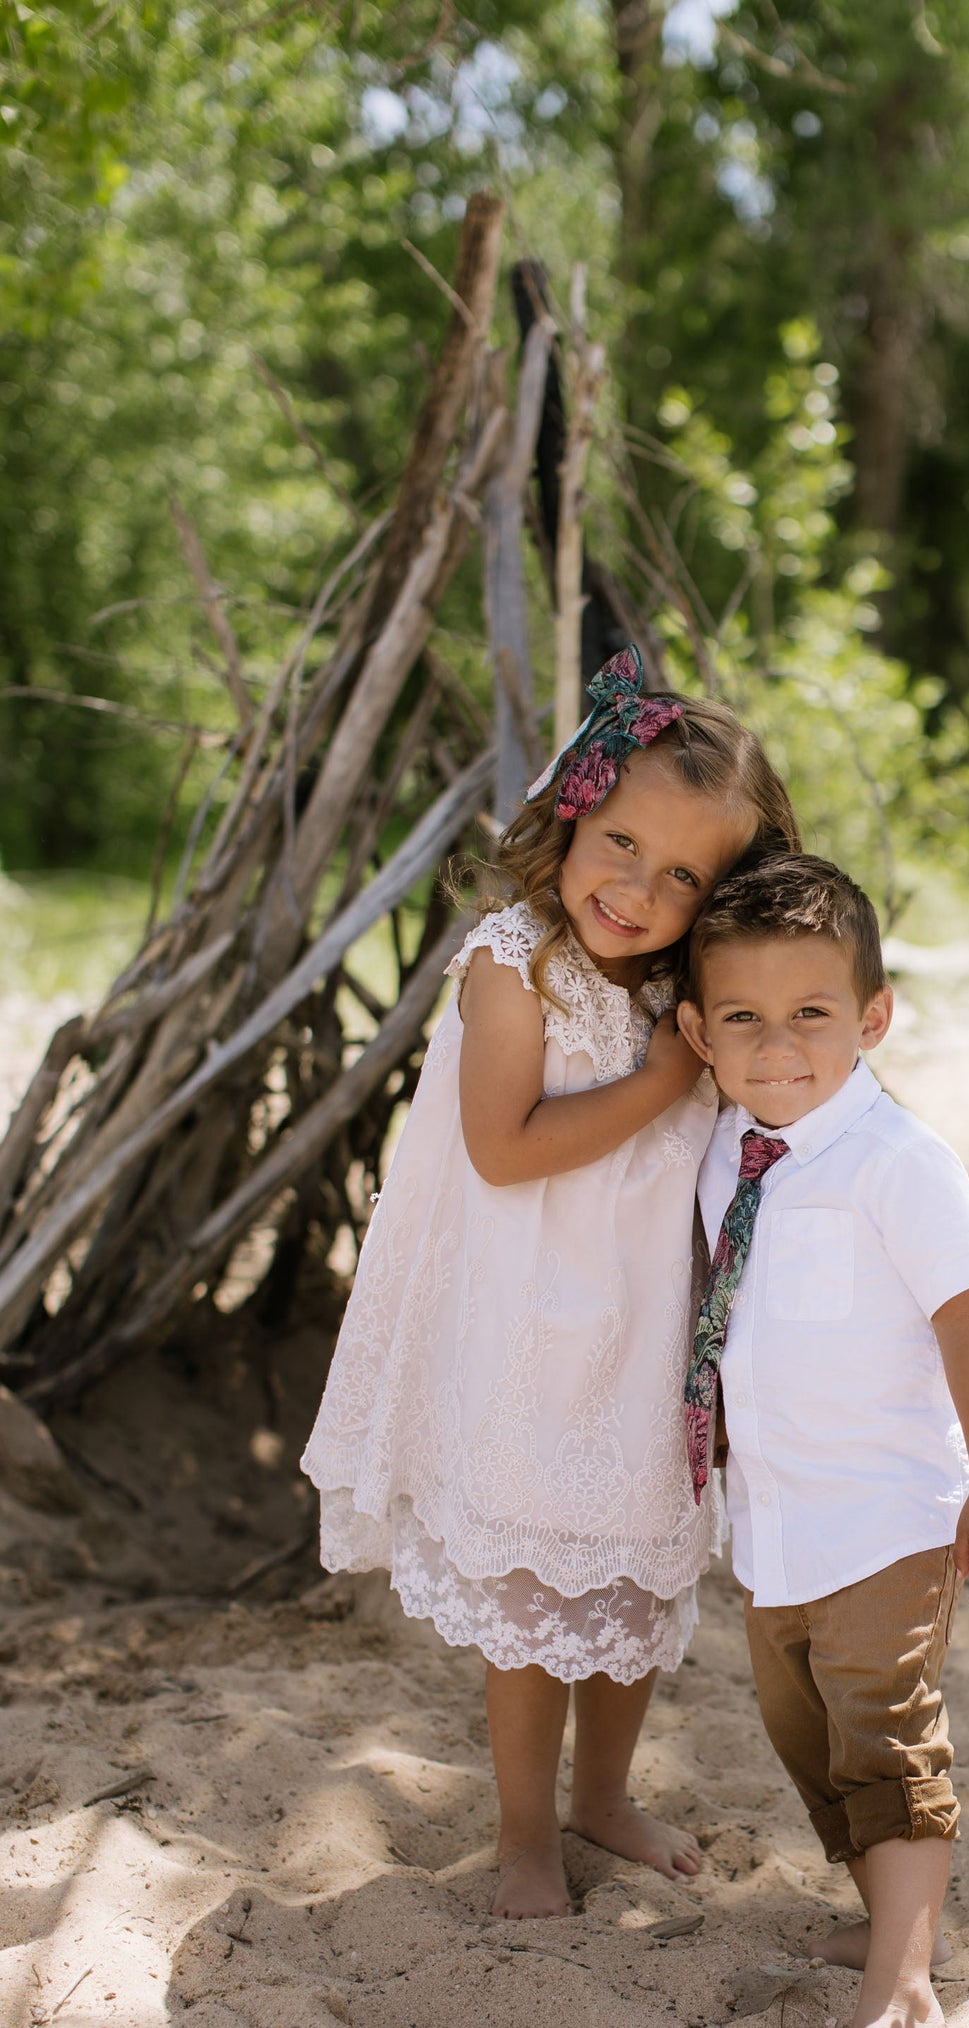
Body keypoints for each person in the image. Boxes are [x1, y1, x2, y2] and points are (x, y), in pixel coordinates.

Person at [301, 645, 798, 1920]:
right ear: (573, 808)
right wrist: (660, 1080)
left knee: (633, 1571)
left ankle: (603, 1795)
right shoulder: (511, 965)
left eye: (684, 874)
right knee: (532, 1603)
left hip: (645, 1329)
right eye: (622, 842)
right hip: (526, 1328)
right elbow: (501, 1147)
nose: (637, 888)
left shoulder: (691, 987)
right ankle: (526, 1826)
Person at [675, 853, 969, 2028]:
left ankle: (903, 1979)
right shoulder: (726, 1147)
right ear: (697, 1031)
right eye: (743, 1018)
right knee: (803, 1727)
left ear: (870, 1017)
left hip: (888, 1512)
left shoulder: (898, 1161)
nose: (778, 1044)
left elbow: (965, 1325)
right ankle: (885, 1910)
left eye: (811, 1014)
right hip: (774, 1520)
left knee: (882, 1727)